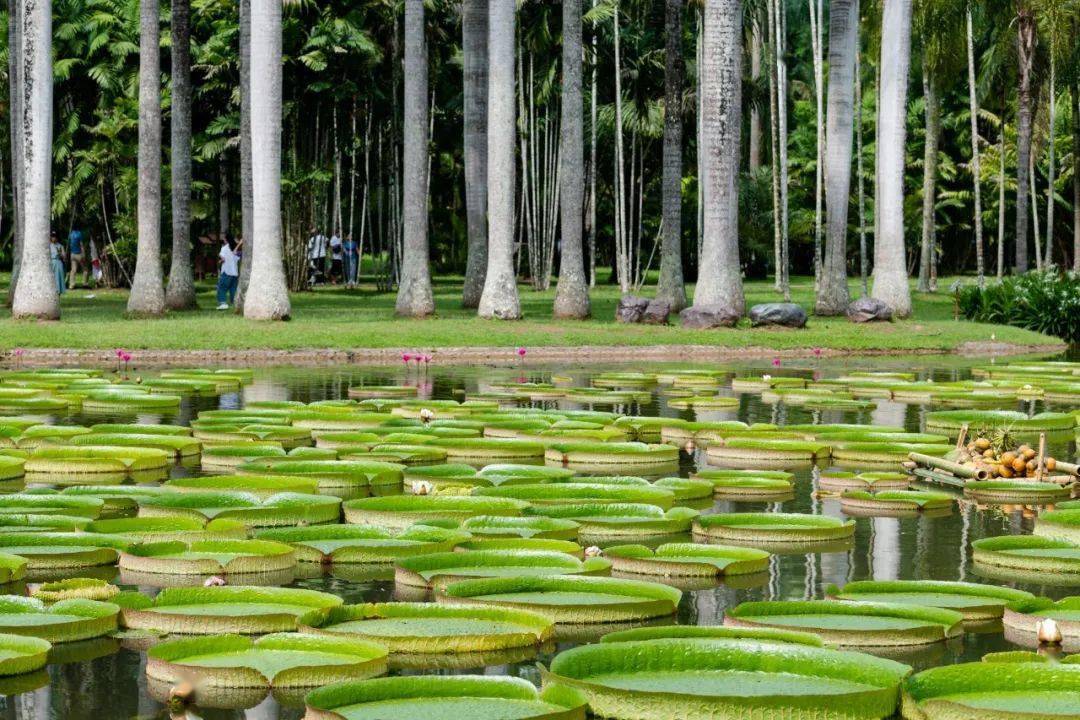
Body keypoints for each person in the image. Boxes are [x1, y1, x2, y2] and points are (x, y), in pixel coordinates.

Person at [216, 235, 242, 309]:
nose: (223, 240)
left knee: (221, 287)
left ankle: (223, 303)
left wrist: (220, 260)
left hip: (227, 271)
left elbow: (223, 258)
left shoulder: (224, 248)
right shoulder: (236, 249)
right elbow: (235, 258)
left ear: (226, 240)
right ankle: (234, 303)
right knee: (233, 289)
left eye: (224, 239)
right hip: (234, 273)